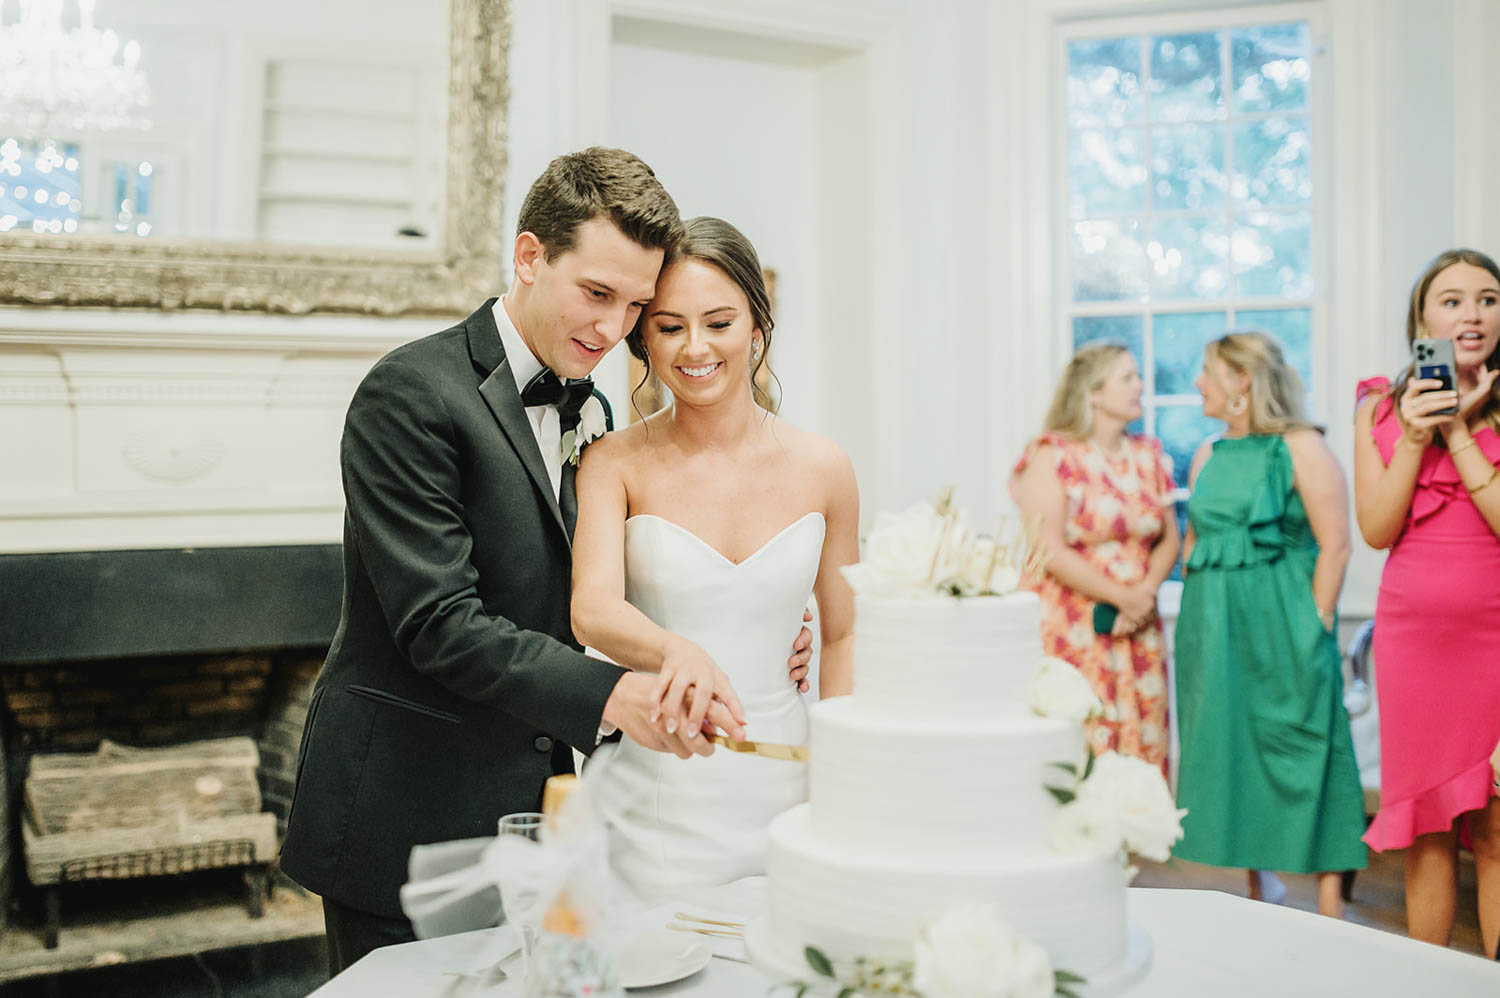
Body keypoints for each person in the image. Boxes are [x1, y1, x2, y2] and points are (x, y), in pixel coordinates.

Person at [278, 150, 814, 974]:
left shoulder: (592, 409)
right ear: (529, 257)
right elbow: (439, 625)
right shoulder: (411, 394)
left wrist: (751, 614)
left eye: (635, 306)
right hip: (405, 812)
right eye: (597, 294)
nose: (611, 330)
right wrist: (616, 696)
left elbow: (591, 587)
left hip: (542, 815)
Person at [570, 216, 859, 897]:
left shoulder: (826, 467)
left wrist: (841, 772)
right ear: (644, 340)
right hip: (657, 794)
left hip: (790, 781)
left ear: (758, 328)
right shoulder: (611, 462)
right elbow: (592, 609)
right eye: (669, 327)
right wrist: (679, 650)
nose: (694, 348)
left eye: (719, 323)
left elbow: (844, 632)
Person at [1173, 331, 1366, 918]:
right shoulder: (1208, 453)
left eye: (1208, 372)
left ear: (1241, 381)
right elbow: (1193, 540)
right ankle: (1261, 885)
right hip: (1213, 628)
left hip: (1285, 624)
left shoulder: (1302, 447)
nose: (1198, 383)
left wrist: (1316, 623)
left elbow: (1335, 545)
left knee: (1309, 745)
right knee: (1233, 749)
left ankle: (1330, 899)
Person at [1354, 248, 1500, 957]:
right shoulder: (1379, 406)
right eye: (1452, 300)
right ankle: (1431, 980)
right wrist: (1417, 431)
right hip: (1414, 642)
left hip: (1495, 640)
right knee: (1427, 828)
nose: (1471, 313)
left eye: (1488, 299)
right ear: (1422, 318)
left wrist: (1459, 432)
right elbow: (1378, 529)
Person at [1010, 341, 1179, 775]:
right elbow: (1046, 548)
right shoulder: (1052, 456)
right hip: (1072, 623)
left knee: (1141, 743)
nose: (1140, 386)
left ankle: (1137, 837)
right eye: (1127, 377)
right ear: (1093, 392)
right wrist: (1121, 596)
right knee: (1081, 739)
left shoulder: (1149, 455)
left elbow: (1170, 540)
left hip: (1136, 626)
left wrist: (1141, 595)